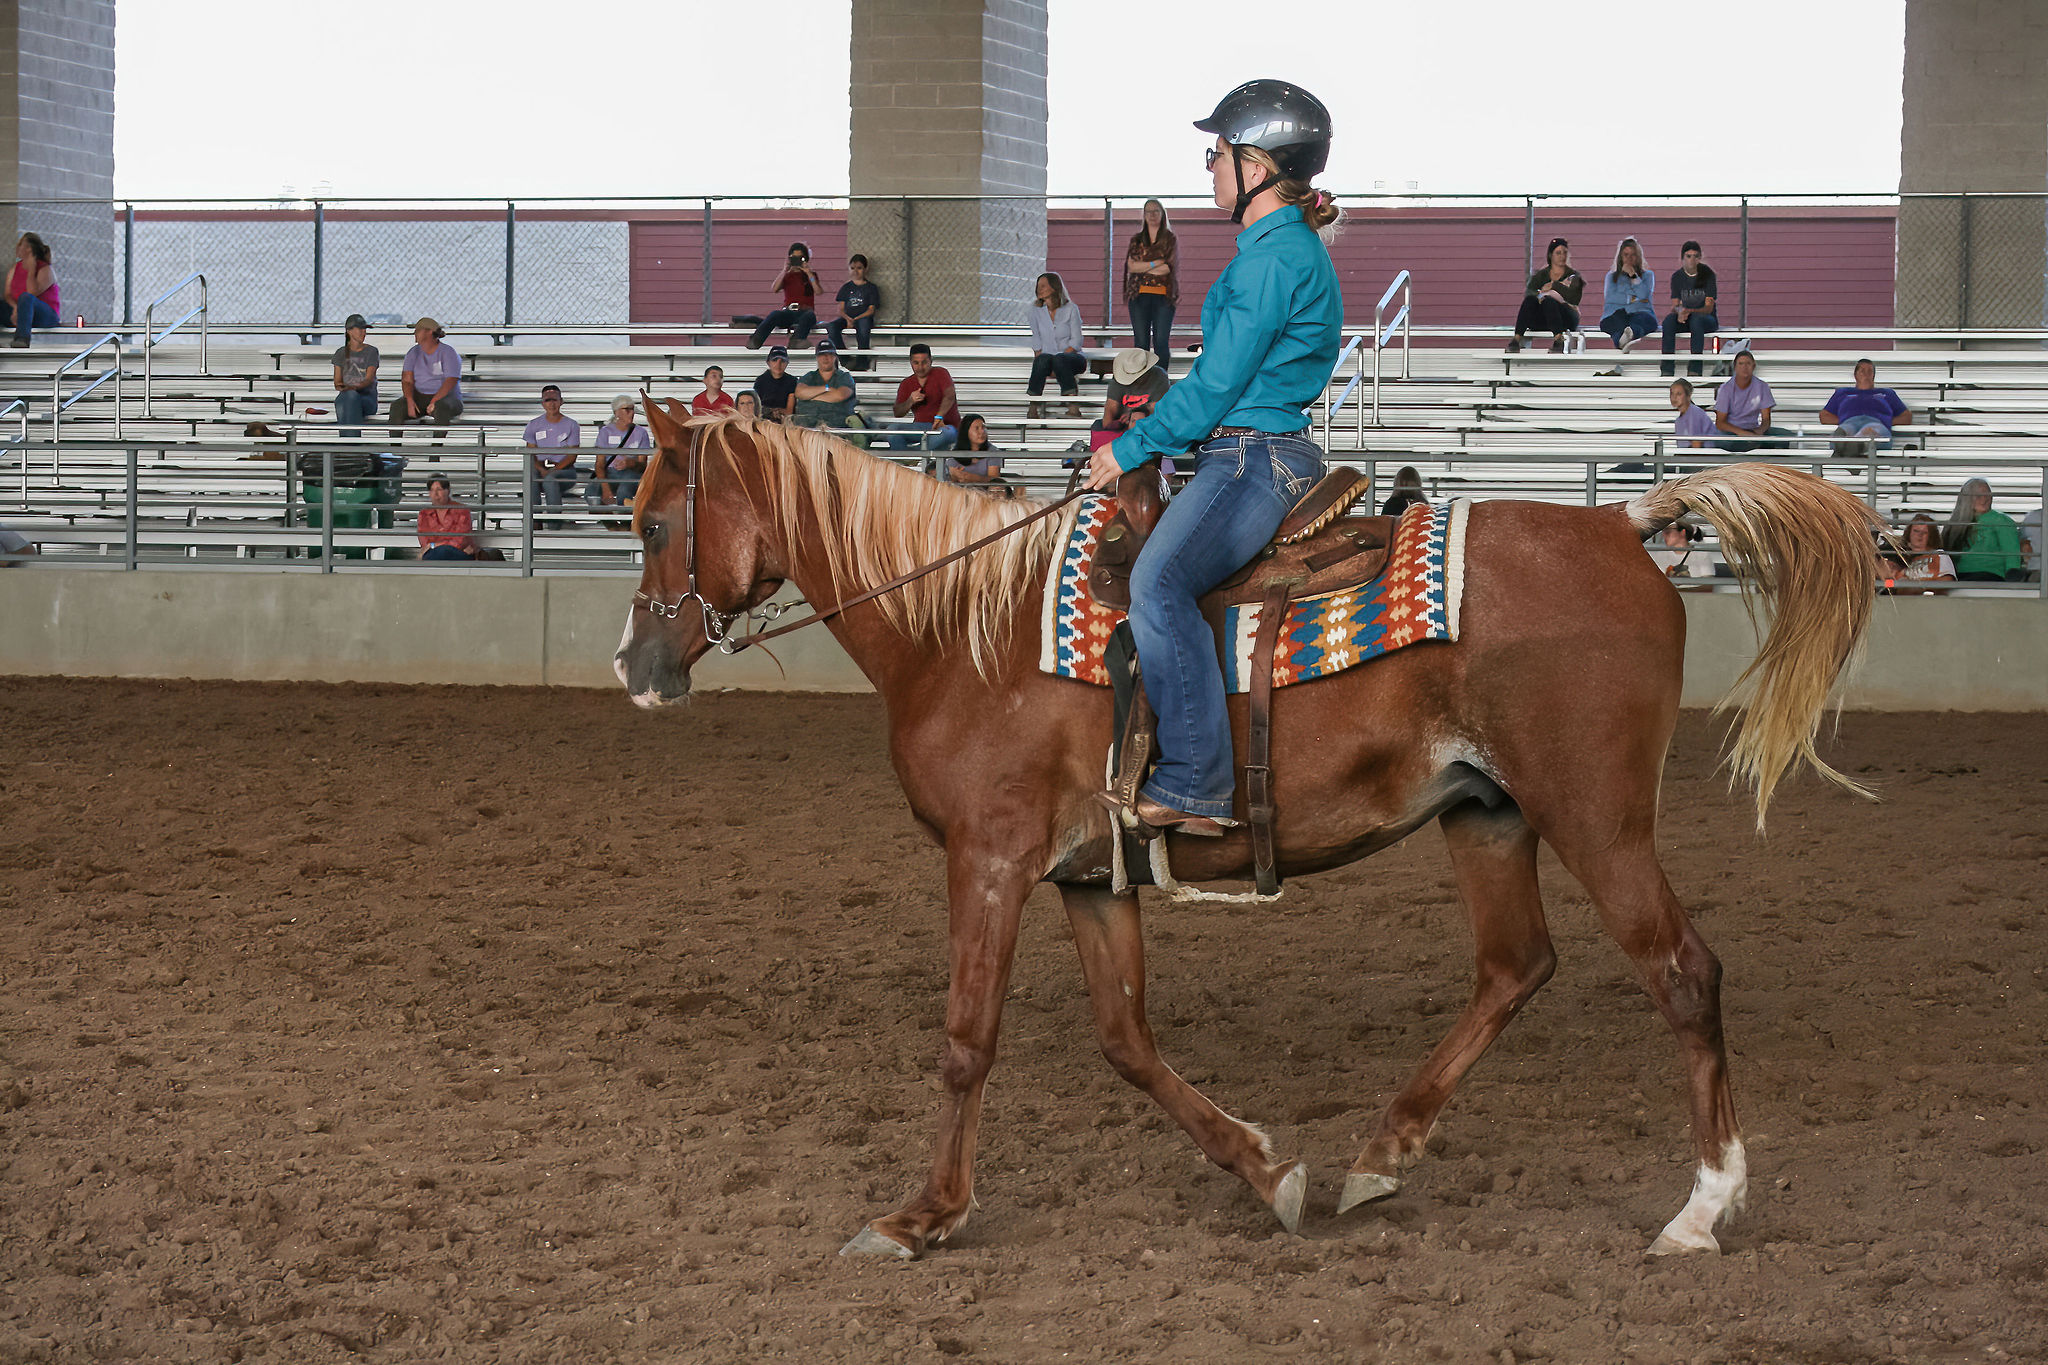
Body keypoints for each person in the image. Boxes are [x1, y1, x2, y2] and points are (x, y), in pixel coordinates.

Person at [1084, 79, 1341, 837]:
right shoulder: (1280, 250)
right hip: (1253, 449)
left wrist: (1127, 448)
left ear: (1255, 167)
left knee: (1157, 582)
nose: (1212, 168)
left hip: (1253, 458)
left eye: (1218, 155)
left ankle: (1196, 781)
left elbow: (1217, 384)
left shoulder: (1271, 260)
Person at [1819, 359, 1911, 460]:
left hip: (1876, 423)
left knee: (1869, 432)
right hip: (1850, 423)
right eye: (1862, 371)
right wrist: (1843, 419)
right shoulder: (1843, 393)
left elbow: (1906, 416)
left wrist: (1887, 421)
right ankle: (1851, 446)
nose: (1866, 374)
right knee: (1843, 431)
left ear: (1873, 375)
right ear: (1855, 375)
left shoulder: (1886, 393)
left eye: (1869, 371)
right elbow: (1824, 415)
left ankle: (1848, 449)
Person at [1124, 199, 1180, 366]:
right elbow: (1131, 267)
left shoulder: (1169, 239)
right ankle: (1142, 378)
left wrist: (1142, 267)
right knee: (1141, 343)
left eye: (1156, 211)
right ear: (1143, 215)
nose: (1152, 215)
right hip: (1138, 296)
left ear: (1162, 214)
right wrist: (1155, 263)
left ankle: (1160, 378)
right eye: (1148, 211)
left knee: (1161, 342)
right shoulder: (1136, 240)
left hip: (1163, 297)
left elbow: (1168, 268)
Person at [388, 318, 464, 438]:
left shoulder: (448, 352)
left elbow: (451, 380)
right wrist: (409, 400)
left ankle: (436, 448)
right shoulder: (413, 353)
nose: (415, 333)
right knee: (397, 407)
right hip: (420, 396)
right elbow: (407, 380)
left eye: (418, 330)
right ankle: (394, 447)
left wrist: (434, 401)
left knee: (441, 408)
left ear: (429, 332)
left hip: (446, 397)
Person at [1026, 271, 1086, 420]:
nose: (1039, 289)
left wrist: (1057, 363)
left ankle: (1073, 406)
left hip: (1073, 358)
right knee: (1041, 360)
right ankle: (1033, 407)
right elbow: (1036, 340)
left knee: (1060, 359)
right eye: (1038, 286)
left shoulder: (1071, 309)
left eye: (1043, 286)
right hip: (1048, 358)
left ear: (1054, 287)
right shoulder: (1035, 311)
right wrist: (1046, 363)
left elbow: (1076, 342)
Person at [1507, 237, 1583, 353]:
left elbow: (1574, 298)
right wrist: (1540, 294)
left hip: (1566, 319)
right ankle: (1516, 340)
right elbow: (1529, 292)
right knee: (1530, 300)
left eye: (1565, 252)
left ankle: (1559, 340)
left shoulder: (1573, 276)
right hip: (1545, 319)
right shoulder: (1541, 275)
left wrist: (1553, 286)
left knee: (1549, 300)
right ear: (1551, 255)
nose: (1562, 256)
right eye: (1558, 253)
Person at [524, 384, 583, 528]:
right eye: (548, 400)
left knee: (550, 479)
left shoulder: (572, 425)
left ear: (561, 402)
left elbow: (572, 456)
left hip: (565, 470)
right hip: (541, 468)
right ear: (542, 403)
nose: (551, 404)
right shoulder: (533, 424)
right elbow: (530, 453)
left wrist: (553, 470)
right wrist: (541, 469)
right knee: (531, 476)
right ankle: (534, 521)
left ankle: (554, 524)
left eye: (554, 400)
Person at [1942, 478, 2025, 581]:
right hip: (1957, 576)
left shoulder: (2001, 520)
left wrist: (2013, 576)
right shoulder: (1954, 523)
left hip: (1989, 575)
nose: (1984, 499)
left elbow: (2012, 553)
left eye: (1987, 494)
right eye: (1978, 496)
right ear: (1967, 498)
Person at [883, 342, 959, 452]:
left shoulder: (941, 373)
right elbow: (898, 412)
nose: (920, 367)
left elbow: (950, 396)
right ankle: (908, 457)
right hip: (921, 427)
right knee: (892, 430)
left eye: (924, 363)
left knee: (948, 433)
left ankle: (912, 454)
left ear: (931, 361)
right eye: (916, 363)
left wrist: (939, 417)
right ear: (910, 362)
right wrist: (910, 401)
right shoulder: (906, 383)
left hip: (945, 426)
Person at [1659, 241, 1719, 378]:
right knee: (1668, 321)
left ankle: (1695, 369)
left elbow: (1709, 307)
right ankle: (1667, 369)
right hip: (1686, 318)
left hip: (1706, 319)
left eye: (1695, 256)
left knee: (1696, 321)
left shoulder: (1708, 275)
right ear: (1682, 258)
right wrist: (1680, 311)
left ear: (1700, 258)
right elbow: (1675, 304)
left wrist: (1689, 312)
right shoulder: (1677, 277)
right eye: (1688, 256)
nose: (1692, 260)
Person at [1712, 351, 1789, 453]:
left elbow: (1766, 419)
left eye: (1748, 363)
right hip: (1731, 432)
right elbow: (1720, 423)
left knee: (1785, 435)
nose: (1744, 367)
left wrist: (1759, 431)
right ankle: (1755, 445)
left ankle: (1754, 445)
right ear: (1735, 367)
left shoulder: (1762, 386)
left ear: (1753, 366)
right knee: (1720, 440)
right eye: (1741, 364)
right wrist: (1743, 433)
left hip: (1753, 429)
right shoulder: (1725, 388)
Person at [748, 241, 819, 348]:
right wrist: (785, 270)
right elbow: (775, 289)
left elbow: (818, 291)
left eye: (800, 258)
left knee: (810, 316)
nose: (797, 261)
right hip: (789, 312)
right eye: (794, 258)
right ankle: (755, 340)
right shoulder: (787, 275)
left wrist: (808, 273)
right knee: (775, 314)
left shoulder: (810, 275)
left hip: (805, 312)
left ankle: (797, 341)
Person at [791, 339, 864, 441]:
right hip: (807, 428)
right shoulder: (809, 376)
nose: (826, 358)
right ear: (817, 357)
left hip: (837, 430)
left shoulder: (844, 377)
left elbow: (840, 395)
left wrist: (811, 396)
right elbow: (799, 392)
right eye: (822, 354)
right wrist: (826, 388)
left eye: (829, 354)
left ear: (835, 357)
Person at [1599, 237, 1658, 352]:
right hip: (1615, 314)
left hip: (1640, 313)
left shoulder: (1648, 276)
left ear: (1638, 257)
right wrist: (1634, 298)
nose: (1629, 258)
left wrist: (1633, 275)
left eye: (1633, 255)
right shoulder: (1611, 277)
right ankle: (1623, 339)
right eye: (1626, 255)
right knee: (1614, 323)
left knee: (1644, 321)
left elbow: (1644, 294)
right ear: (1621, 257)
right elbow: (1611, 298)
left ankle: (1630, 334)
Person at [593, 395, 652, 507]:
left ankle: (624, 517)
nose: (631, 413)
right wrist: (605, 488)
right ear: (617, 412)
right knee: (592, 492)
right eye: (627, 409)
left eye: (632, 409)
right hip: (609, 472)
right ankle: (607, 518)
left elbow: (643, 465)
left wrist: (631, 463)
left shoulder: (641, 433)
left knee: (624, 492)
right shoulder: (605, 432)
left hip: (631, 473)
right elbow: (599, 463)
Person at [4, 232, 58, 348]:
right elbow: (7, 294)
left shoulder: (45, 269)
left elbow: (31, 293)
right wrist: (15, 308)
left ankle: (22, 339)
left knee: (26, 297)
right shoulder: (15, 268)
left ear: (28, 249)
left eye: (21, 244)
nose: (17, 247)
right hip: (20, 313)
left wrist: (32, 269)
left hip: (45, 316)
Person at [827, 254, 881, 370]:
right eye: (852, 268)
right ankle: (845, 359)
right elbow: (841, 309)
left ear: (865, 269)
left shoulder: (871, 288)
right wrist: (847, 319)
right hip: (848, 317)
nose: (855, 271)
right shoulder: (846, 287)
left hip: (863, 317)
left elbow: (871, 309)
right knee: (831, 326)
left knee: (864, 325)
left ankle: (862, 361)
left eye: (859, 268)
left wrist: (855, 319)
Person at [330, 314, 380, 438]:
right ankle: (351, 443)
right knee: (347, 399)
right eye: (360, 329)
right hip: (347, 397)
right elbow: (337, 382)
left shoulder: (371, 351)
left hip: (367, 399)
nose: (364, 332)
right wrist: (348, 389)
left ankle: (348, 443)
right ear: (349, 331)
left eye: (364, 329)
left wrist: (352, 387)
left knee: (348, 400)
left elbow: (368, 379)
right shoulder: (341, 353)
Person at [1878, 514, 1954, 589]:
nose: (1919, 535)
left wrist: (1921, 587)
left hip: (1927, 593)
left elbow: (1948, 581)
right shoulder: (1902, 558)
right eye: (1916, 531)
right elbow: (1890, 585)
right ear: (1909, 533)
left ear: (1931, 536)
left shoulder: (1938, 555)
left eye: (1924, 532)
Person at [417, 476, 480, 561]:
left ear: (448, 491)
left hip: (459, 553)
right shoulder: (424, 514)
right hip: (434, 554)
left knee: (442, 552)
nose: (435, 494)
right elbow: (424, 541)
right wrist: (436, 546)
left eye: (439, 489)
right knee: (437, 554)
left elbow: (460, 540)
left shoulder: (461, 510)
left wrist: (434, 545)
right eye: (431, 490)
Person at [944, 414, 1010, 493]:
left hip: (985, 496)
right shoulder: (954, 453)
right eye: (977, 428)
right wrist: (954, 476)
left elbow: (995, 481)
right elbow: (950, 481)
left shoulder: (993, 452)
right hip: (960, 495)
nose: (982, 431)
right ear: (966, 432)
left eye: (983, 427)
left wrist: (973, 478)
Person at [752, 346, 798, 421]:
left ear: (787, 363)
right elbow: (756, 407)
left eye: (782, 361)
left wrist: (777, 411)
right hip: (764, 421)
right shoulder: (760, 380)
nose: (778, 364)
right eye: (774, 360)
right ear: (768, 362)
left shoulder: (792, 381)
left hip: (785, 421)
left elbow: (789, 412)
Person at [1670, 377, 1715, 450]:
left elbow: (1696, 445)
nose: (1674, 397)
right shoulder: (1679, 421)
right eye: (1672, 393)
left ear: (1688, 396)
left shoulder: (1695, 413)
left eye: (1679, 394)